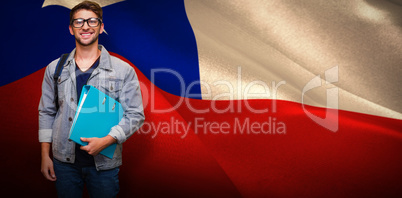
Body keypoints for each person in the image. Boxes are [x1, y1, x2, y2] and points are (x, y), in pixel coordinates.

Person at [38, 1, 145, 197]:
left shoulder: (123, 70)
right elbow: (46, 112)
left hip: (104, 166)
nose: (85, 26)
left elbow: (135, 115)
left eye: (92, 21)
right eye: (79, 22)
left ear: (101, 27)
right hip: (64, 162)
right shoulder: (54, 69)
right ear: (71, 29)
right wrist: (45, 155)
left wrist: (107, 140)